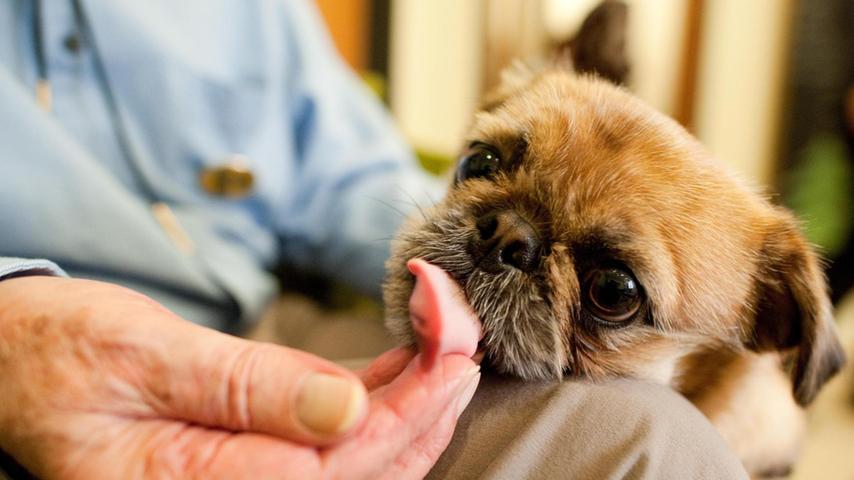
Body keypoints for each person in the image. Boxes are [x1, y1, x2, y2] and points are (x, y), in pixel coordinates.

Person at [0, 1, 748, 478]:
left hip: (269, 320)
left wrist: (459, 240)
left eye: (608, 291)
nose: (506, 242)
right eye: (486, 167)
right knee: (650, 444)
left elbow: (339, 174)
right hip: (36, 358)